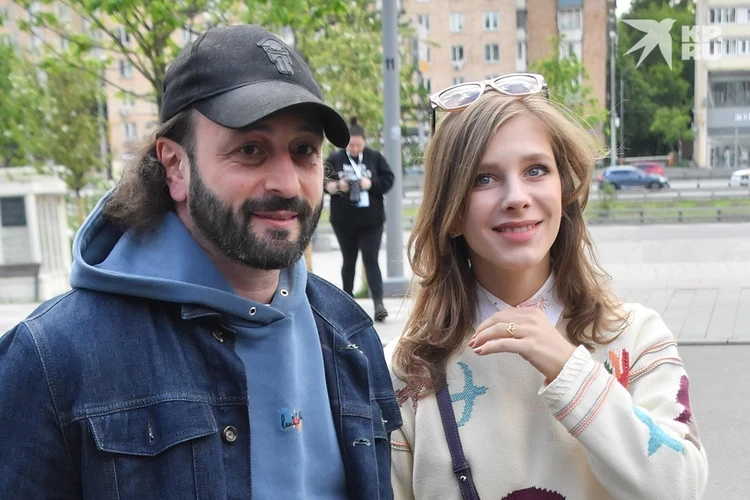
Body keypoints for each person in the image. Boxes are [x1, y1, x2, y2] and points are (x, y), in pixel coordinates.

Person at [0, 25, 401, 499]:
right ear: (175, 165)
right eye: (250, 150)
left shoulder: (350, 335)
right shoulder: (52, 358)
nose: (288, 183)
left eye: (304, 151)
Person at [385, 74, 708, 499]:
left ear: (565, 190)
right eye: (483, 178)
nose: (516, 197)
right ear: (452, 211)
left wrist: (568, 369)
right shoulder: (406, 370)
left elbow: (680, 487)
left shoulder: (635, 339)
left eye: (535, 170)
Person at [325, 117, 394, 321]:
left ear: (364, 142)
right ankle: (347, 301)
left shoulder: (374, 157)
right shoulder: (335, 159)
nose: (354, 149)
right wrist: (338, 186)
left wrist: (369, 184)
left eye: (358, 145)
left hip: (371, 221)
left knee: (371, 260)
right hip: (344, 220)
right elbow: (323, 182)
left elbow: (388, 180)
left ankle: (378, 304)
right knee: (349, 260)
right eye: (351, 145)